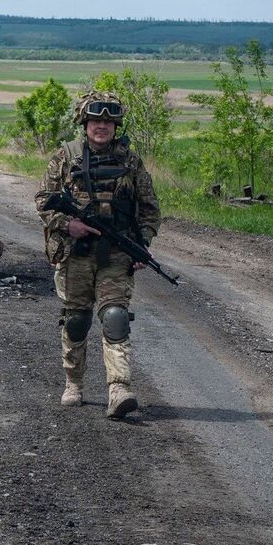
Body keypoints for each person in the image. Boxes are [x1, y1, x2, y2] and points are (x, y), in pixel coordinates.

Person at [35, 92, 161, 419]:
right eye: (96, 121)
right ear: (85, 123)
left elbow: (150, 210)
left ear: (115, 125)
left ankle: (118, 389)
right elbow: (42, 201)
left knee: (115, 316)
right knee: (76, 320)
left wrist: (142, 245)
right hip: (74, 254)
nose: (101, 126)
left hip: (116, 255)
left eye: (108, 121)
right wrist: (68, 224)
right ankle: (73, 383)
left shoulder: (131, 163)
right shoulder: (65, 157)